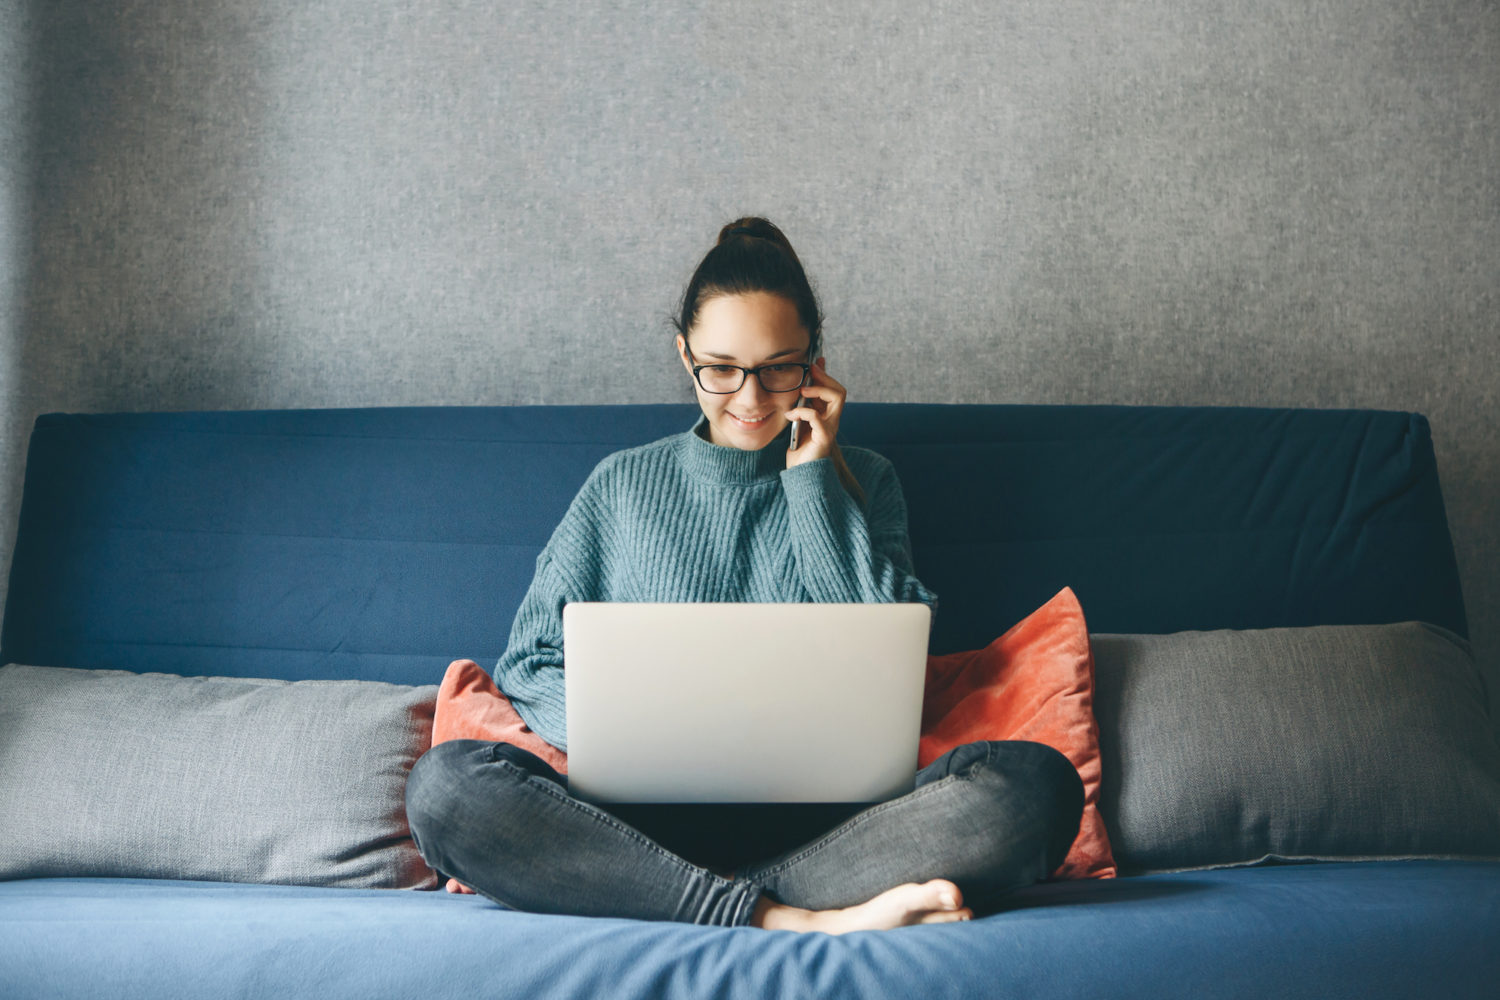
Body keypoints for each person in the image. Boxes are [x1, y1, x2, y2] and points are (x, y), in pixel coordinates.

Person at [405, 217, 1084, 932]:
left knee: (1035, 787)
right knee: (445, 789)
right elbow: (530, 661)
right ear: (684, 354)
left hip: (832, 834)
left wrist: (814, 482)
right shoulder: (620, 486)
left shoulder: (868, 484)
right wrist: (644, 736)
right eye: (720, 369)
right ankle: (788, 918)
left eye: (779, 368)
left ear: (815, 363)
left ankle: (715, 900)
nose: (752, 400)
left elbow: (890, 650)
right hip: (635, 828)